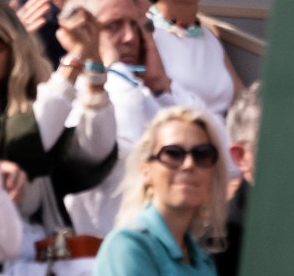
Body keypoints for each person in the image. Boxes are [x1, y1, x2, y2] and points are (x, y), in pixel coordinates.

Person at [95, 104, 231, 276]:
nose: (189, 164)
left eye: (202, 154)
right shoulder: (128, 246)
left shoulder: (202, 259)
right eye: (173, 153)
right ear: (146, 171)